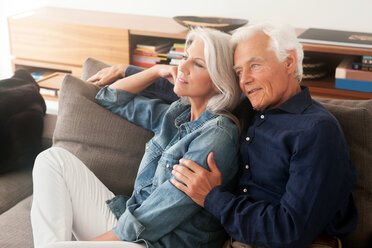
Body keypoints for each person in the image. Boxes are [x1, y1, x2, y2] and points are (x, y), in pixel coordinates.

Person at [95, 23, 358, 248]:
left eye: (254, 66)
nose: (245, 80)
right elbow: (191, 88)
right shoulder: (252, 104)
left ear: (288, 62)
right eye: (239, 72)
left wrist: (213, 198)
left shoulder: (316, 131)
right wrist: (129, 69)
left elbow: (289, 230)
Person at [30, 28, 242, 248]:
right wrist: (156, 71)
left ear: (220, 81)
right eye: (185, 58)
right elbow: (109, 97)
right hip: (130, 221)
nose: (182, 67)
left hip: (158, 242)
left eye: (198, 64)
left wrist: (99, 243)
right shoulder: (177, 113)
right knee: (52, 159)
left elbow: (160, 213)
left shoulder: (217, 135)